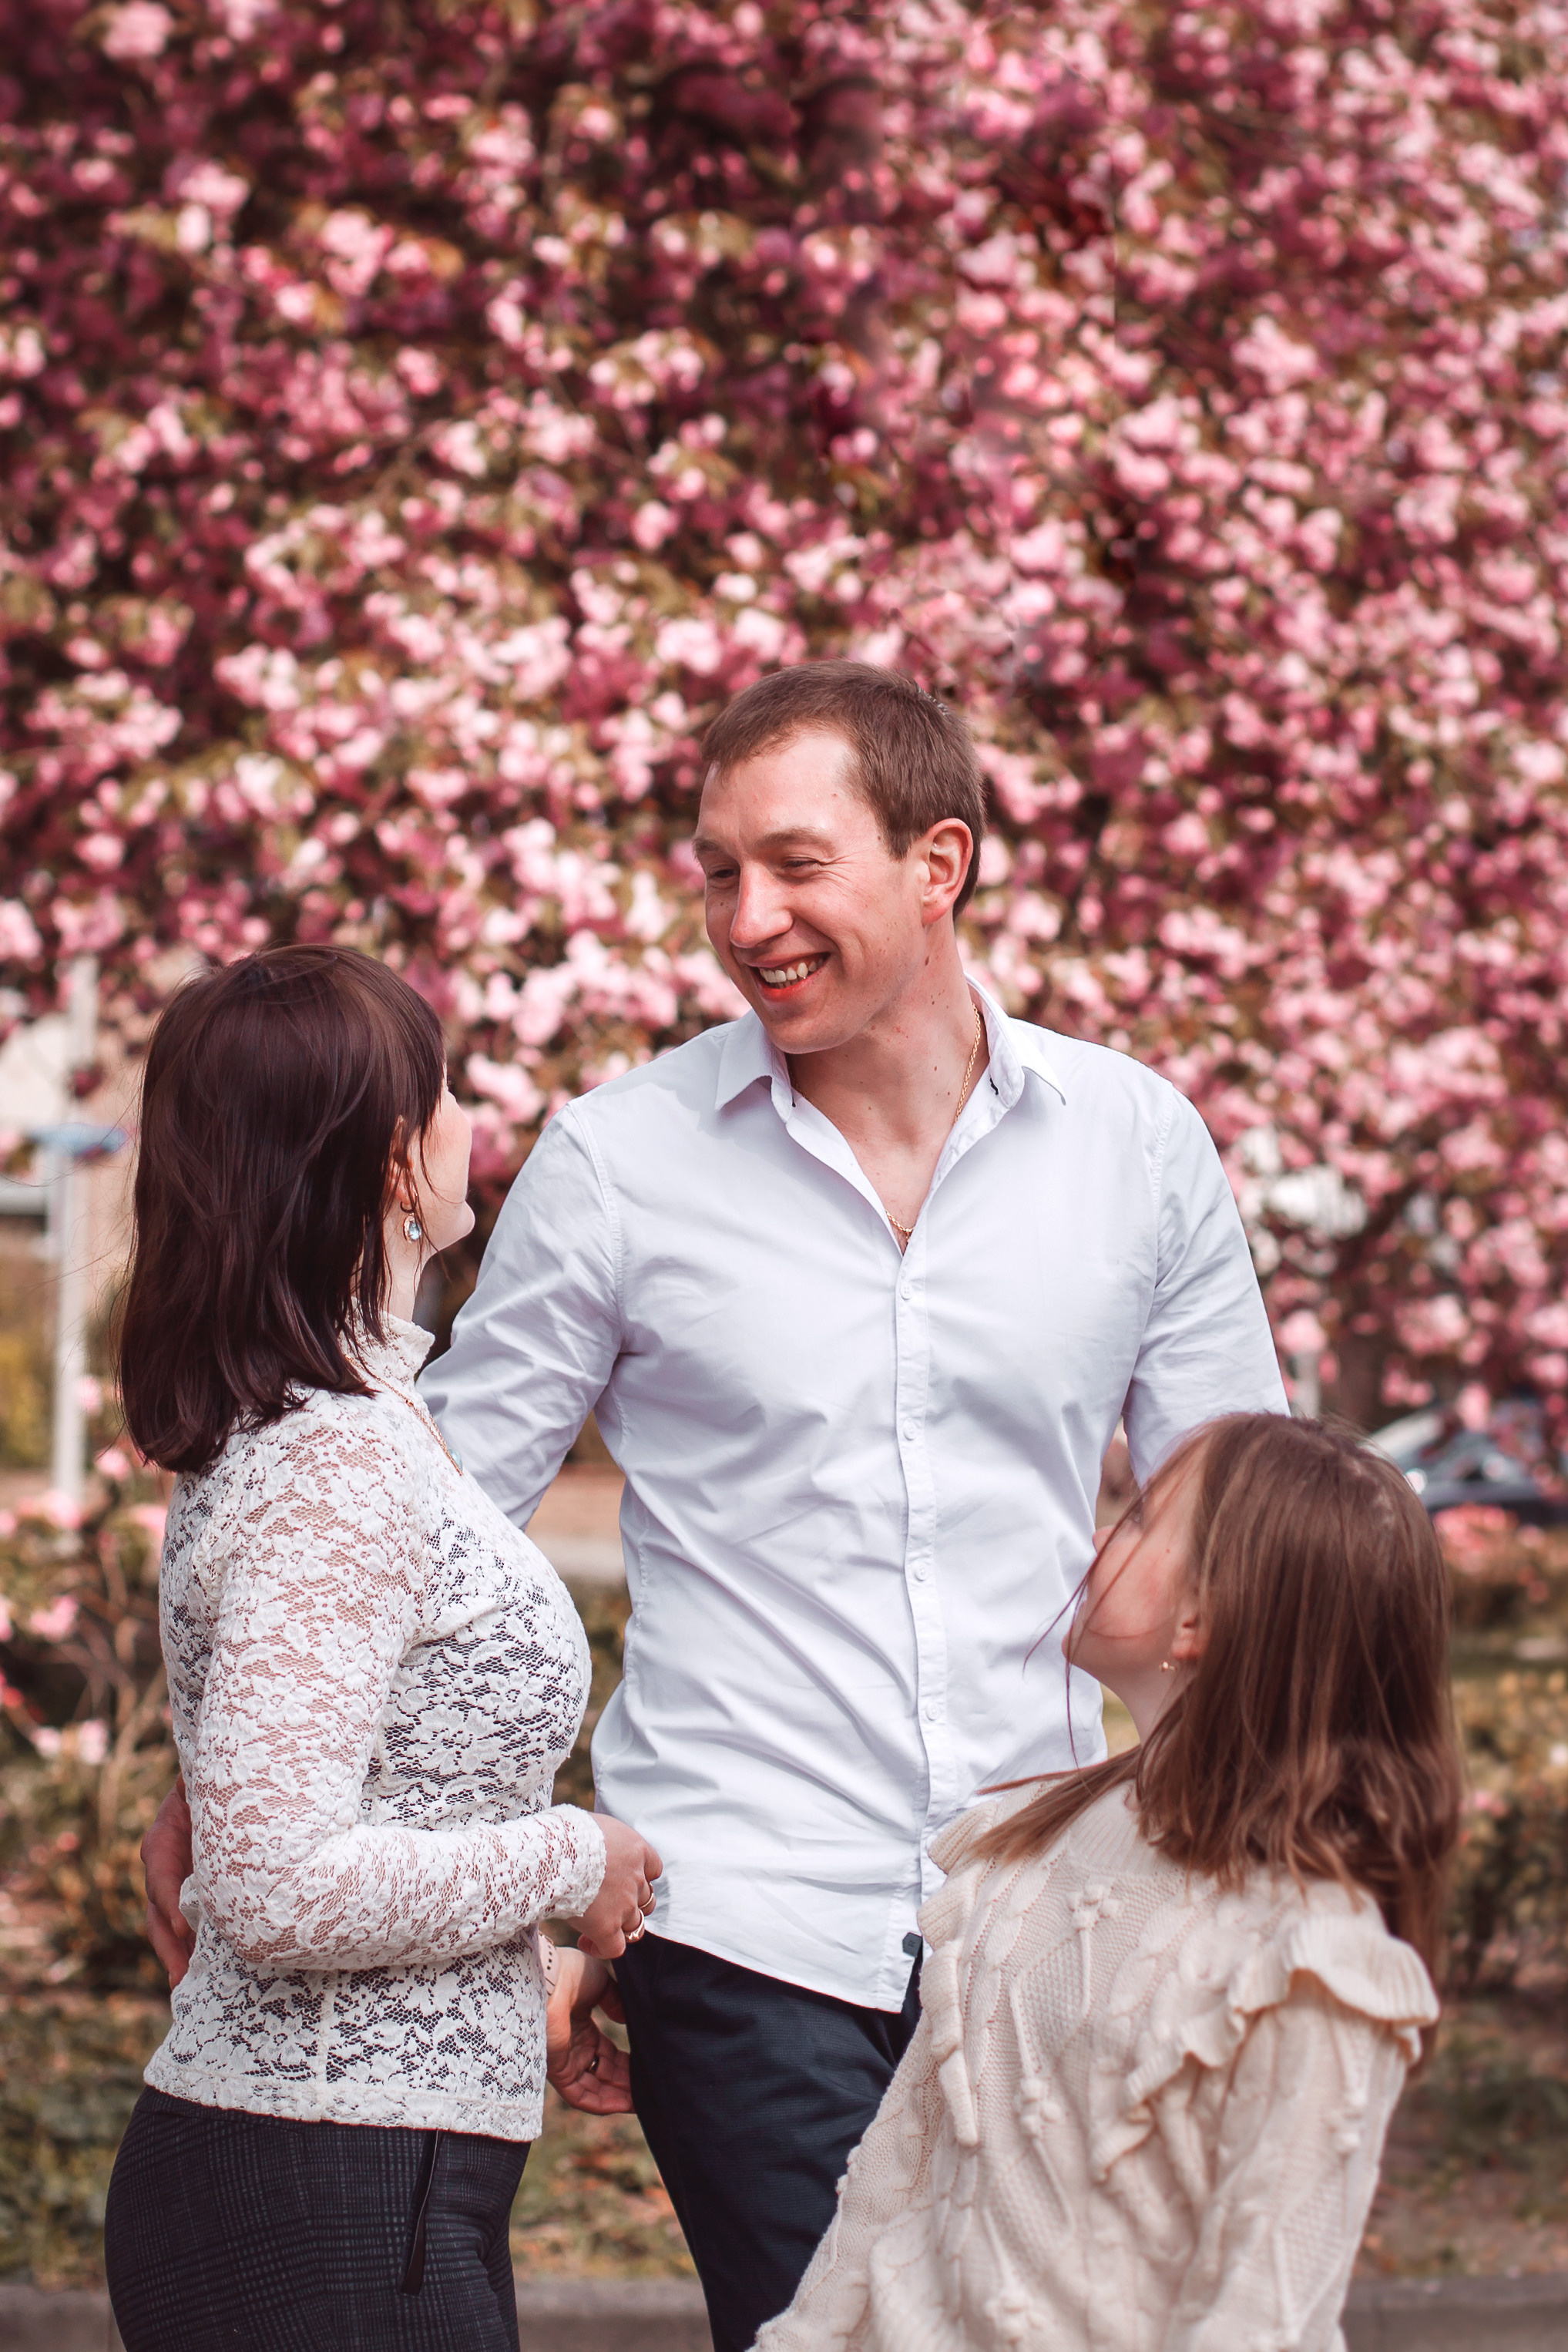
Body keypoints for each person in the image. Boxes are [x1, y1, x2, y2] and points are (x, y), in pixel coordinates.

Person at [145, 662, 1287, 2350]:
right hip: (744, 1924)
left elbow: (1248, 1534)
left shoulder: (1137, 1145)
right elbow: (430, 1493)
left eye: (795, 862)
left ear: (939, 862)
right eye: (715, 870)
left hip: (1066, 1908)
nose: (748, 916)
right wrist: (240, 1755)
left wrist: (1269, 1876)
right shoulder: (622, 1161)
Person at [106, 946, 660, 2352]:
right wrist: (573, 1860)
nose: (475, 1110)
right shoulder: (338, 1458)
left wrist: (526, 1968)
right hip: (322, 2191)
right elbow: (280, 1888)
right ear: (393, 1160)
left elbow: (378, 1805)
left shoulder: (347, 1420)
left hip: (361, 2174)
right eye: (450, 1086)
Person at [756, 1414, 1464, 2351]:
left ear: (1203, 1616)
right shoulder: (1019, 1839)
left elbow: (1261, 2319)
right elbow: (894, 2177)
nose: (1094, 1539)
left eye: (1134, 1520)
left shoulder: (1308, 1958)